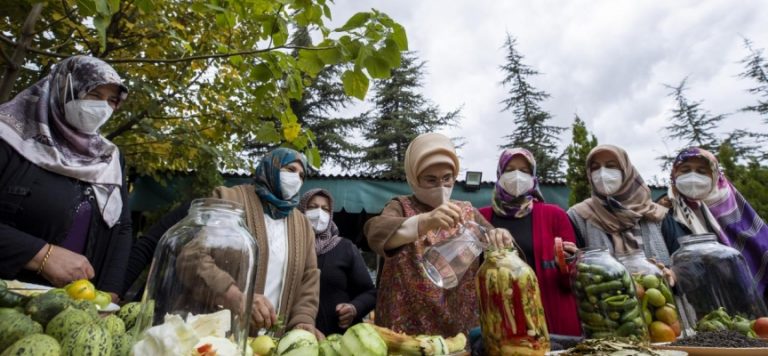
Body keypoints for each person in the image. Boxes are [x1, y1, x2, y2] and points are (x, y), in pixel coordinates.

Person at [124, 148, 322, 338]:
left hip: (267, 343)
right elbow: (192, 258)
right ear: (270, 167)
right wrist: (236, 298)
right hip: (213, 335)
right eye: (290, 170)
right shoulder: (227, 199)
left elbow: (309, 277)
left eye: (302, 175)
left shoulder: (302, 224)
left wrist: (303, 320)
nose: (296, 178)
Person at [0, 55, 131, 301]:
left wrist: (111, 292)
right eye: (93, 95)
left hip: (74, 308)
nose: (102, 107)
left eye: (111, 100)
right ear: (63, 88)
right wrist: (41, 255)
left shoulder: (108, 158)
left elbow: (122, 227)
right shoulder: (7, 136)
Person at [363, 132, 513, 338]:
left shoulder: (466, 211)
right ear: (414, 179)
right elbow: (375, 232)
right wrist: (425, 221)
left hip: (458, 331)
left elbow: (502, 248)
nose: (441, 187)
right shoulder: (401, 207)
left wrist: (500, 236)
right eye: (431, 180)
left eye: (447, 178)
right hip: (407, 332)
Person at [477, 148, 581, 336]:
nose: (517, 176)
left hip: (554, 322)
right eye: (509, 170)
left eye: (524, 171)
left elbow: (572, 281)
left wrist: (568, 263)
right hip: (503, 325)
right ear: (499, 174)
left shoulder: (555, 215)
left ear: (533, 176)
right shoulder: (481, 218)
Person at [668, 147, 768, 299]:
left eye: (702, 171)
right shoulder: (669, 211)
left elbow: (760, 245)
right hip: (712, 298)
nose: (693, 177)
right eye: (685, 170)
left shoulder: (732, 202)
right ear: (674, 174)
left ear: (715, 175)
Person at [567, 144, 682, 266]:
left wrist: (669, 275)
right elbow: (574, 266)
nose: (602, 173)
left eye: (611, 166)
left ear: (626, 170)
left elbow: (680, 262)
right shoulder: (578, 216)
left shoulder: (656, 214)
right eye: (595, 168)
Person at [297, 189, 376, 336]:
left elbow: (370, 293)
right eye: (312, 207)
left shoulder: (345, 248)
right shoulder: (289, 248)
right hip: (296, 336)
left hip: (340, 339)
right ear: (301, 210)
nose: (319, 213)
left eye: (325, 209)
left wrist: (354, 308)